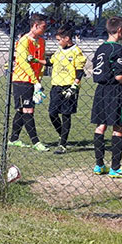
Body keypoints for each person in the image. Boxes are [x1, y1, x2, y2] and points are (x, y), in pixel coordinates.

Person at [90, 16, 122, 178]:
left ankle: (99, 165)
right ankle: (115, 167)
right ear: (119, 30)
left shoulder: (101, 48)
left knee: (100, 126)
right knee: (118, 127)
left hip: (100, 91)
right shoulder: (119, 49)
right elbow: (119, 76)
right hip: (115, 92)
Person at [37, 25, 87, 154]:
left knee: (66, 115)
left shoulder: (76, 51)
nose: (58, 42)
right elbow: (50, 62)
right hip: (56, 86)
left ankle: (63, 144)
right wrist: (35, 60)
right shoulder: (59, 50)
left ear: (67, 38)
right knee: (52, 113)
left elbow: (80, 72)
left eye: (60, 39)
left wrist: (74, 87)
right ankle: (62, 134)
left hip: (69, 87)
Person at [8, 14, 49, 151]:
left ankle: (13, 139)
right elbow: (23, 62)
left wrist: (39, 80)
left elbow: (41, 62)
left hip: (33, 80)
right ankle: (35, 141)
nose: (45, 29)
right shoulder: (24, 41)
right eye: (43, 27)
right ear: (35, 26)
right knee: (28, 110)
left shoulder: (42, 42)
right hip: (22, 80)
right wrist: (34, 80)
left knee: (22, 110)